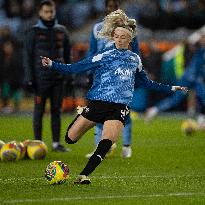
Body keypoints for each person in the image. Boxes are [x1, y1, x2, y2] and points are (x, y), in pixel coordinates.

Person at [41, 10, 187, 184]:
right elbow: (75, 68)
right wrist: (51, 64)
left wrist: (172, 87)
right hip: (98, 103)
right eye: (116, 36)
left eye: (123, 37)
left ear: (129, 40)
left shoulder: (135, 60)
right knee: (69, 139)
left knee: (106, 143)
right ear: (113, 37)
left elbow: (147, 83)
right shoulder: (105, 56)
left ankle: (83, 175)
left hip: (118, 108)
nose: (119, 39)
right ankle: (84, 115)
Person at [86, 0, 140, 159]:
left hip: (122, 76)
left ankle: (126, 146)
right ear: (105, 8)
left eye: (114, 7)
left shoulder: (129, 29)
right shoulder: (97, 28)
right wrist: (90, 71)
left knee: (124, 112)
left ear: (119, 8)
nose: (111, 10)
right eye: (109, 7)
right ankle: (99, 147)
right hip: (103, 77)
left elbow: (135, 52)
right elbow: (92, 52)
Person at [23, 0, 71, 152]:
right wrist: (30, 78)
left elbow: (67, 55)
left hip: (58, 79)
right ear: (40, 13)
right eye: (46, 12)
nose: (49, 15)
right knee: (39, 111)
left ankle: (56, 143)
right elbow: (27, 57)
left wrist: (69, 75)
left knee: (56, 111)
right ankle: (37, 143)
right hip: (40, 80)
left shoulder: (62, 31)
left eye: (51, 12)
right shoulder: (33, 32)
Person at [145, 34, 205, 129]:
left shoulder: (199, 49)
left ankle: (201, 120)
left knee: (202, 97)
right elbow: (192, 44)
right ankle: (154, 110)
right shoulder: (197, 47)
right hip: (189, 77)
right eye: (203, 39)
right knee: (177, 99)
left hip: (196, 77)